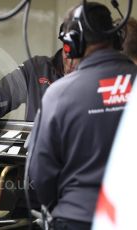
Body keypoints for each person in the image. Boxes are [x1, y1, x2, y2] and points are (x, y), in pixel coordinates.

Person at [28, 2, 137, 229]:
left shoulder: (57, 94)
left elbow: (41, 175)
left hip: (76, 217)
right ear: (116, 39)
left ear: (71, 45)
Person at [0, 24, 79, 130]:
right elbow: (2, 92)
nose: (72, 62)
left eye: (79, 55)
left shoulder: (97, 80)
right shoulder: (36, 69)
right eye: (67, 52)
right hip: (35, 153)